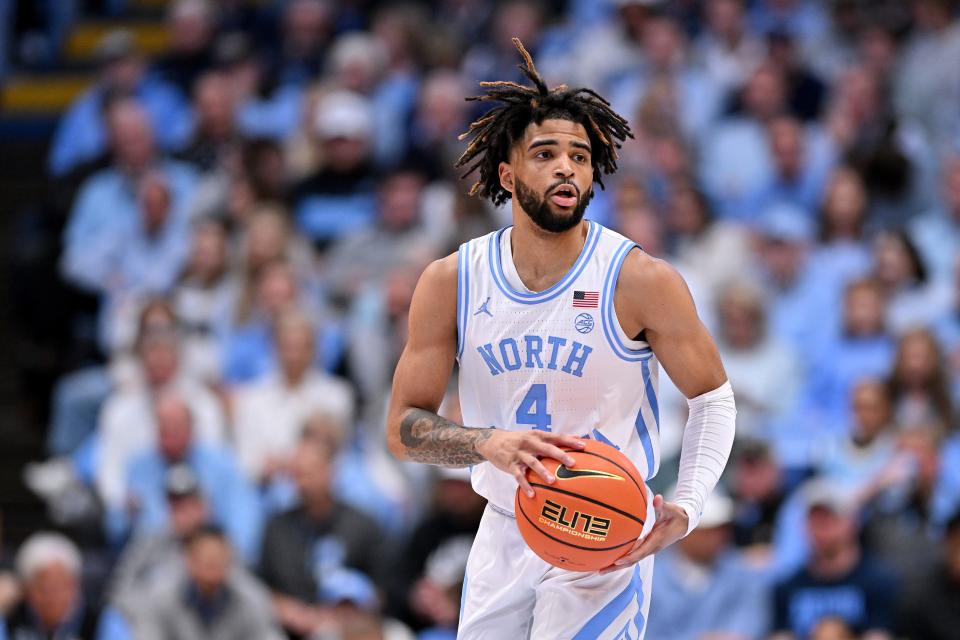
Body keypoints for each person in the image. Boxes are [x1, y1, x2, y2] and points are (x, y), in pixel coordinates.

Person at [385, 39, 736, 639]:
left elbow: (712, 397)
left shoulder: (638, 279)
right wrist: (485, 444)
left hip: (605, 532)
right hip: (503, 528)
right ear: (507, 172)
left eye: (579, 155)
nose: (566, 167)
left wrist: (691, 501)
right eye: (545, 153)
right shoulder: (451, 281)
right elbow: (403, 430)